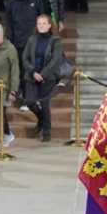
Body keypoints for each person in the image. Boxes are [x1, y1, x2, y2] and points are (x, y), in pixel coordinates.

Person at [21, 15, 64, 143]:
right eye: (39, 23)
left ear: (50, 25)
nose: (41, 26)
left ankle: (46, 130)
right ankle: (41, 120)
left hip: (48, 77)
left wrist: (43, 74)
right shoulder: (32, 39)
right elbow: (25, 58)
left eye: (44, 23)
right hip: (32, 76)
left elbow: (56, 60)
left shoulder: (55, 41)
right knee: (29, 102)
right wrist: (33, 72)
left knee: (45, 104)